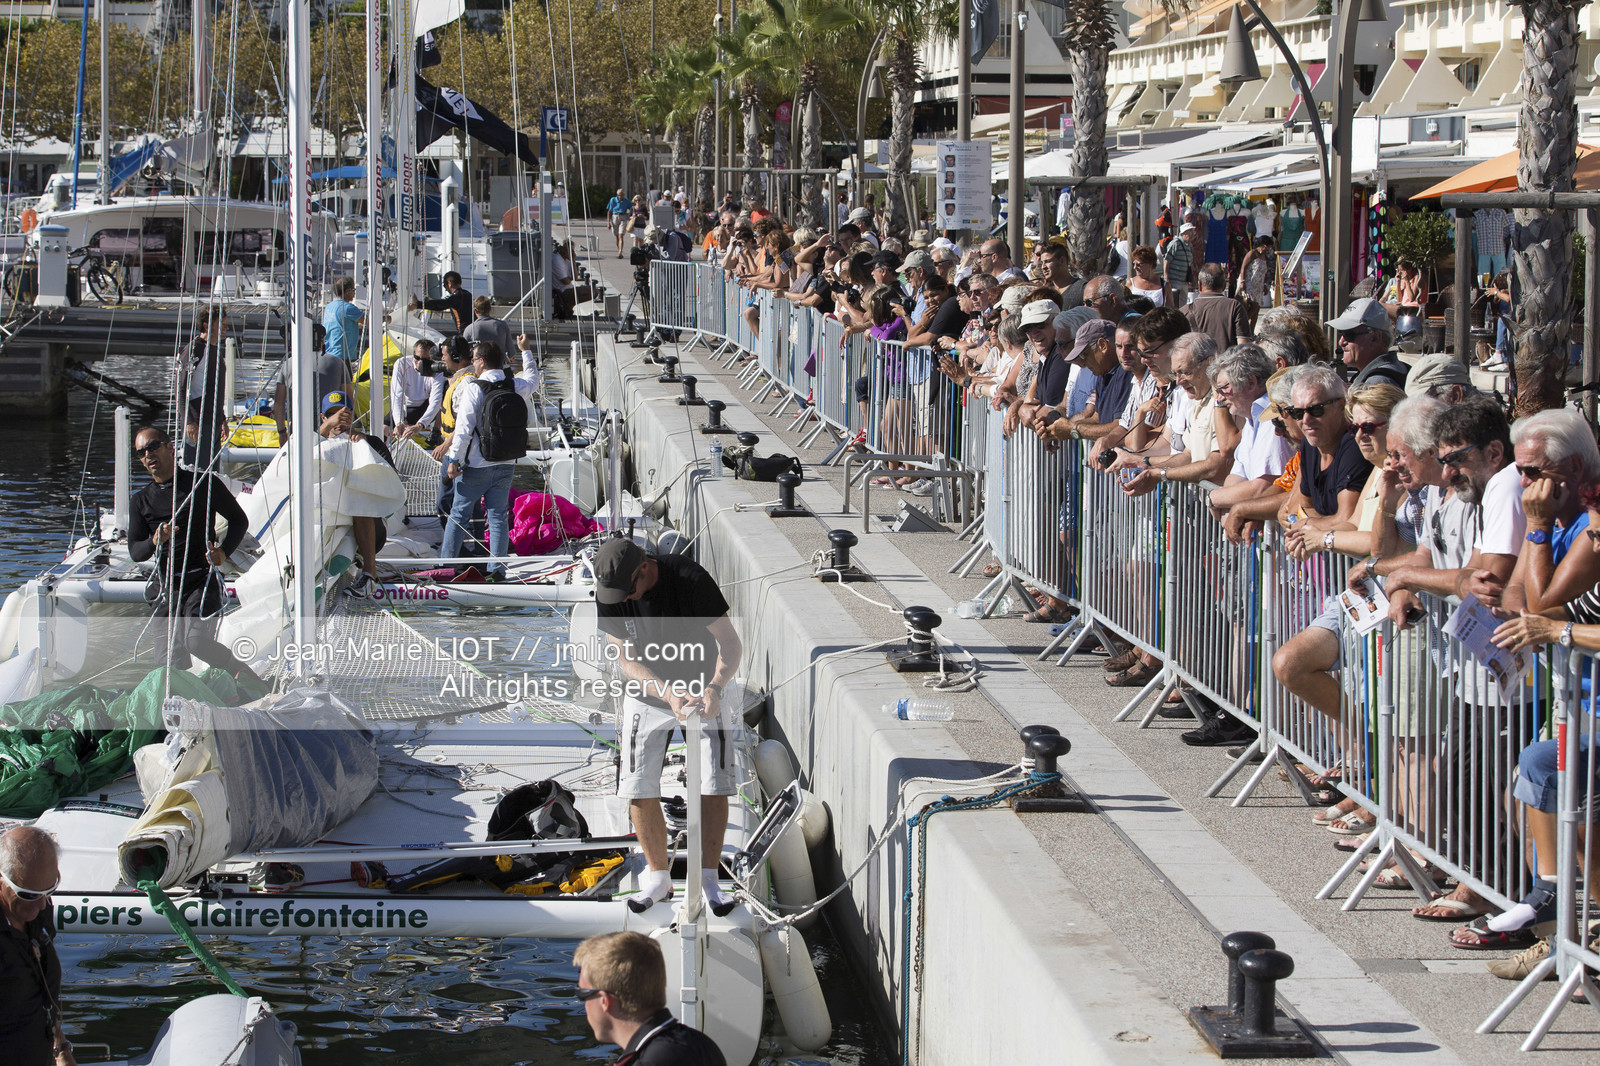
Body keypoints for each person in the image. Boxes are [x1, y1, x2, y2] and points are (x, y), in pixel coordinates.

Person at [592, 539, 743, 914]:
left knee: (713, 782)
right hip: (648, 693)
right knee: (637, 785)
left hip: (704, 689)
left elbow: (730, 644)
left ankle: (709, 878)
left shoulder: (690, 579)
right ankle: (658, 878)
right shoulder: (610, 592)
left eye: (628, 591)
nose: (623, 599)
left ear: (644, 567)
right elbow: (626, 659)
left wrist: (715, 689)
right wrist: (666, 692)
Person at [127, 426, 260, 682]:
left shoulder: (203, 484)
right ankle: (186, 700)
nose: (148, 455)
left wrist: (223, 552)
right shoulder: (140, 501)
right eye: (141, 452)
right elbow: (136, 552)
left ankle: (247, 677)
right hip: (166, 587)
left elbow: (239, 520)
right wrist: (155, 540)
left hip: (201, 580)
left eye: (153, 446)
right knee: (168, 665)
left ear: (169, 447)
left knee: (196, 642)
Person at [441, 342, 537, 578]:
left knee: (458, 516)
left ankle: (446, 567)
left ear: (482, 361)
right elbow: (534, 380)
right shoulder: (514, 385)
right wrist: (525, 351)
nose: (473, 363)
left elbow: (463, 431)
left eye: (474, 360)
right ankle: (497, 571)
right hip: (506, 462)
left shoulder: (474, 389)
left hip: (477, 465)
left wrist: (454, 460)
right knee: (498, 518)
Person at [574, 930, 727, 1065]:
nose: (584, 1005)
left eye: (583, 994)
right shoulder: (700, 1044)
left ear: (605, 1001)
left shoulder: (651, 1061)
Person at [0, 826, 73, 1066]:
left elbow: (41, 998)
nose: (42, 905)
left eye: (50, 890)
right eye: (30, 894)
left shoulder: (36, 911)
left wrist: (61, 1050)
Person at [317, 391, 397, 588]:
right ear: (323, 417)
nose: (339, 420)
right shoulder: (313, 445)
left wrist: (365, 448)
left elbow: (393, 483)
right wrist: (326, 429)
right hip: (326, 521)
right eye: (333, 415)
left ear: (352, 416)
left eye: (343, 414)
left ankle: (370, 573)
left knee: (359, 500)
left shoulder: (370, 442)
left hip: (368, 526)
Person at [174, 306, 231, 474]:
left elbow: (215, 389)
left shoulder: (215, 350)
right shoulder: (195, 349)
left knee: (212, 474)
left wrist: (222, 419)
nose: (226, 328)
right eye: (221, 324)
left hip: (213, 423)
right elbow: (180, 388)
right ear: (206, 325)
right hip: (198, 423)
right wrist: (189, 422)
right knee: (195, 473)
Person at [1326, 296, 1408, 389]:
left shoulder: (1376, 384)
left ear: (1375, 338)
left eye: (1348, 334)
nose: (1341, 342)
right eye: (1341, 333)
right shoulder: (1395, 369)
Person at [391, 339, 447, 444]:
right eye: (417, 358)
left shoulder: (437, 369)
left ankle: (436, 432)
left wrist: (420, 424)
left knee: (444, 394)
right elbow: (397, 396)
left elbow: (435, 400)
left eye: (425, 359)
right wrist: (399, 422)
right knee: (385, 429)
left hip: (425, 405)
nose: (420, 362)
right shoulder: (401, 364)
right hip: (407, 406)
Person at [1185, 262, 1250, 349]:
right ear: (1224, 285)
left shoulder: (1184, 311)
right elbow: (1243, 347)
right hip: (1227, 357)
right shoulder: (1234, 307)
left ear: (1199, 285)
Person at [322, 275, 366, 363]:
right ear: (347, 291)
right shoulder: (348, 307)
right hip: (343, 356)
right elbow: (370, 321)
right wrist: (387, 318)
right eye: (353, 290)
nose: (354, 293)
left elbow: (338, 323)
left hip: (329, 354)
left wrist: (356, 325)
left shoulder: (329, 307)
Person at [461, 295, 517, 360]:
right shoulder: (502, 325)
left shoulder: (470, 329)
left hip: (479, 365)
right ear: (490, 309)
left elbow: (464, 355)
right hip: (499, 365)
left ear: (475, 311)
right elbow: (511, 353)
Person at [1164, 224, 1195, 306]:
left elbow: (1189, 263)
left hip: (1184, 281)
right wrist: (1166, 277)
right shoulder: (1175, 243)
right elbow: (1167, 260)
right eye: (1190, 232)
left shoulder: (1190, 246)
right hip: (1174, 280)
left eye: (1193, 232)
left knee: (1183, 304)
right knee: (1173, 303)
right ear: (1184, 233)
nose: (1192, 234)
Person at [608, 188, 633, 257]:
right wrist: (608, 222)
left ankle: (620, 252)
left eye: (621, 195)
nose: (620, 196)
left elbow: (632, 207)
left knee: (620, 235)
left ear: (623, 195)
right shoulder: (613, 200)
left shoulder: (626, 201)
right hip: (615, 217)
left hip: (623, 217)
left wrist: (631, 216)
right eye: (619, 195)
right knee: (617, 236)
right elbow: (609, 211)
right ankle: (618, 249)